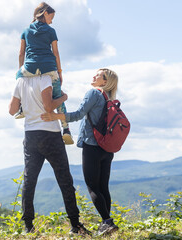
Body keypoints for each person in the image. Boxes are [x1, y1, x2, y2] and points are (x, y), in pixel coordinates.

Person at [41, 68, 120, 236]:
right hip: (107, 148)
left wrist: (55, 117)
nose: (94, 76)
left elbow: (78, 114)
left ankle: (107, 222)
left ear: (105, 82)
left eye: (98, 75)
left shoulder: (94, 93)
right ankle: (106, 222)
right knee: (103, 187)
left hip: (92, 146)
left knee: (92, 187)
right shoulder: (109, 98)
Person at [8, 74, 90, 235]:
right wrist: (64, 97)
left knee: (29, 180)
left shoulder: (20, 81)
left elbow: (11, 110)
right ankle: (75, 225)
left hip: (30, 135)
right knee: (64, 179)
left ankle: (28, 227)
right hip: (50, 134)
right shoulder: (45, 78)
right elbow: (48, 106)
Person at [14, 2, 74, 145]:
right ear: (45, 13)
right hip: (49, 67)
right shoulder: (51, 30)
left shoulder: (25, 31)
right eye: (51, 17)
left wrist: (21, 73)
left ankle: (22, 108)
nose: (51, 21)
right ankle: (66, 129)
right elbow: (56, 53)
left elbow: (21, 53)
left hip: (29, 67)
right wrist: (59, 72)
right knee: (58, 95)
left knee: (17, 77)